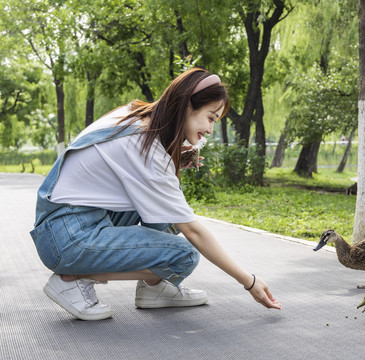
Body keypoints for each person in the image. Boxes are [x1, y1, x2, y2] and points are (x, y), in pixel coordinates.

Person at [30, 68, 281, 320]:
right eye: (211, 117)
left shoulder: (135, 116)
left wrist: (173, 161)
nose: (211, 128)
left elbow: (120, 168)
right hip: (68, 241)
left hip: (65, 225)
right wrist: (249, 281)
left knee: (165, 207)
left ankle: (155, 289)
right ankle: (72, 278)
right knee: (184, 256)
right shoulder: (145, 146)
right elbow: (193, 230)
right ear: (186, 105)